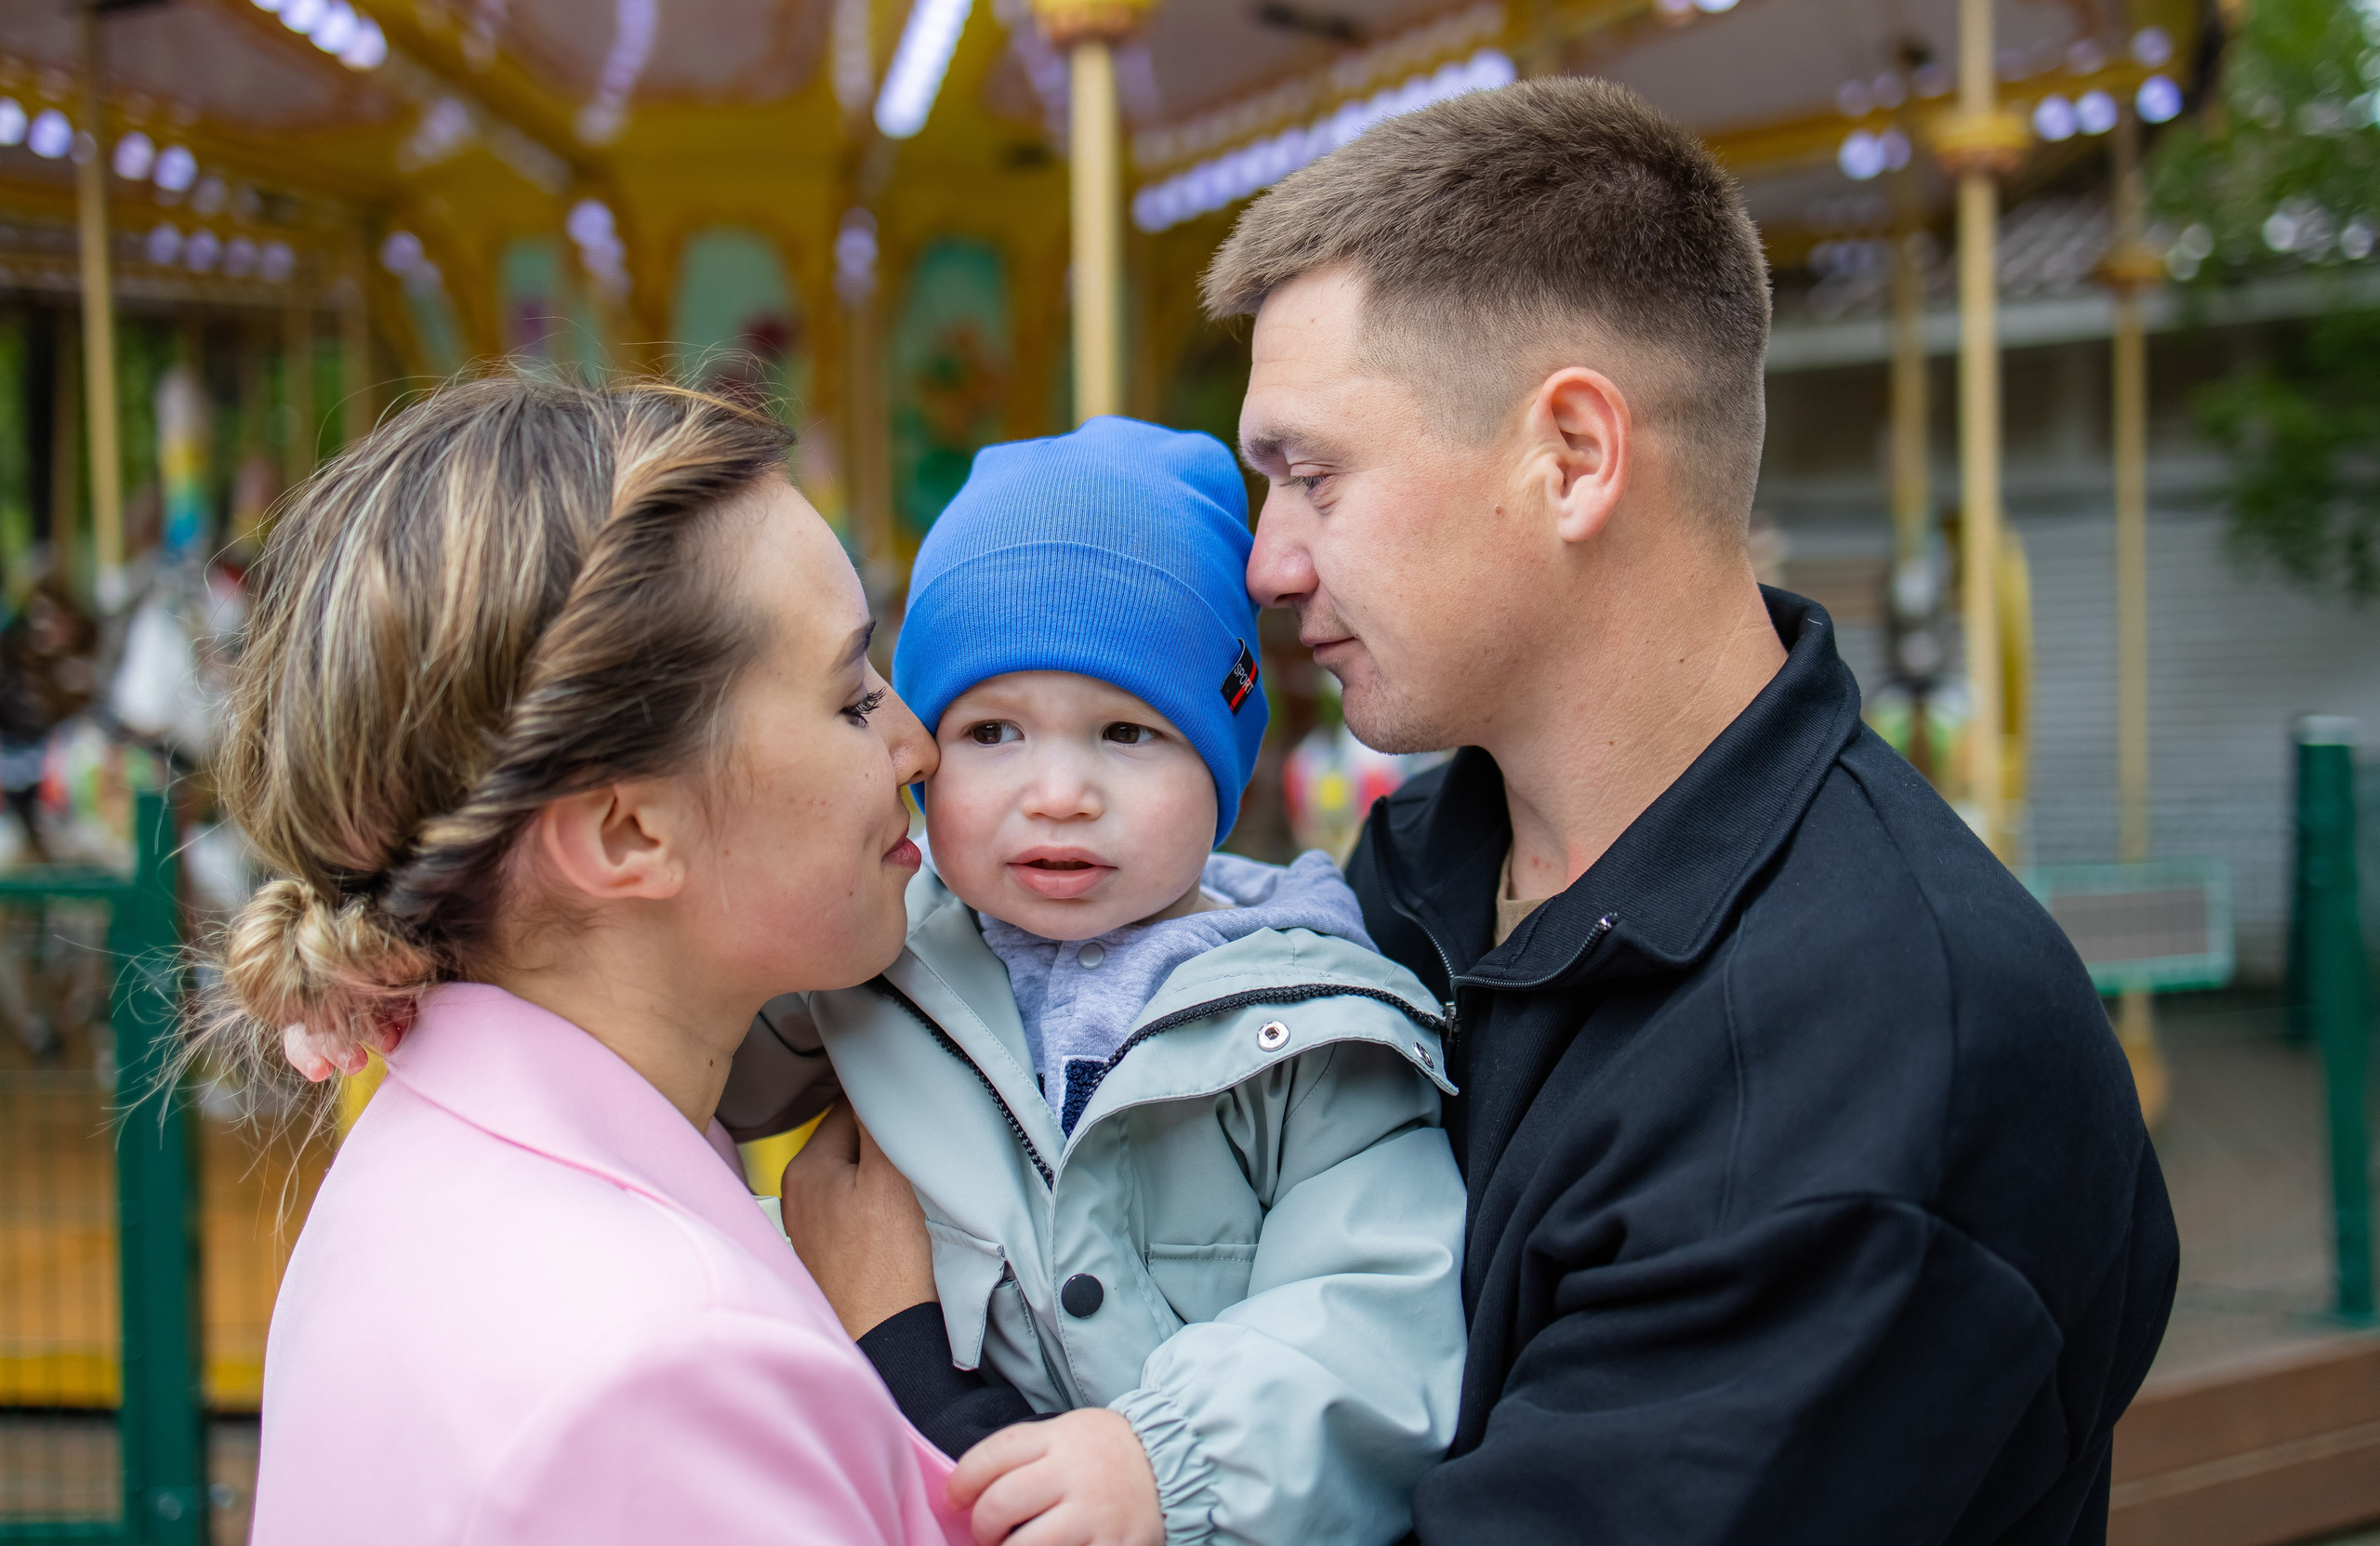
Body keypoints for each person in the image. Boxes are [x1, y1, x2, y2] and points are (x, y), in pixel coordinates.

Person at [1201, 77, 2178, 1540]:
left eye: (1313, 476)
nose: (1270, 564)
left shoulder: (1873, 1054)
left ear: (1574, 457)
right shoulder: (1422, 868)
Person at [203, 374, 969, 1546]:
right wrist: (901, 1358)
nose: (915, 740)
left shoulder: (420, 1159)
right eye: (850, 697)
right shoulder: (665, 1369)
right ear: (626, 833)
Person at [733, 418, 1466, 1546]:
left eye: (1126, 732)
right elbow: (691, 1051)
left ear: (1223, 763)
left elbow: (1382, 1312)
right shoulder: (870, 957)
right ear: (923, 751)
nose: (1059, 791)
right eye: (993, 733)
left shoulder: (1313, 1020)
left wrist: (1165, 1464)